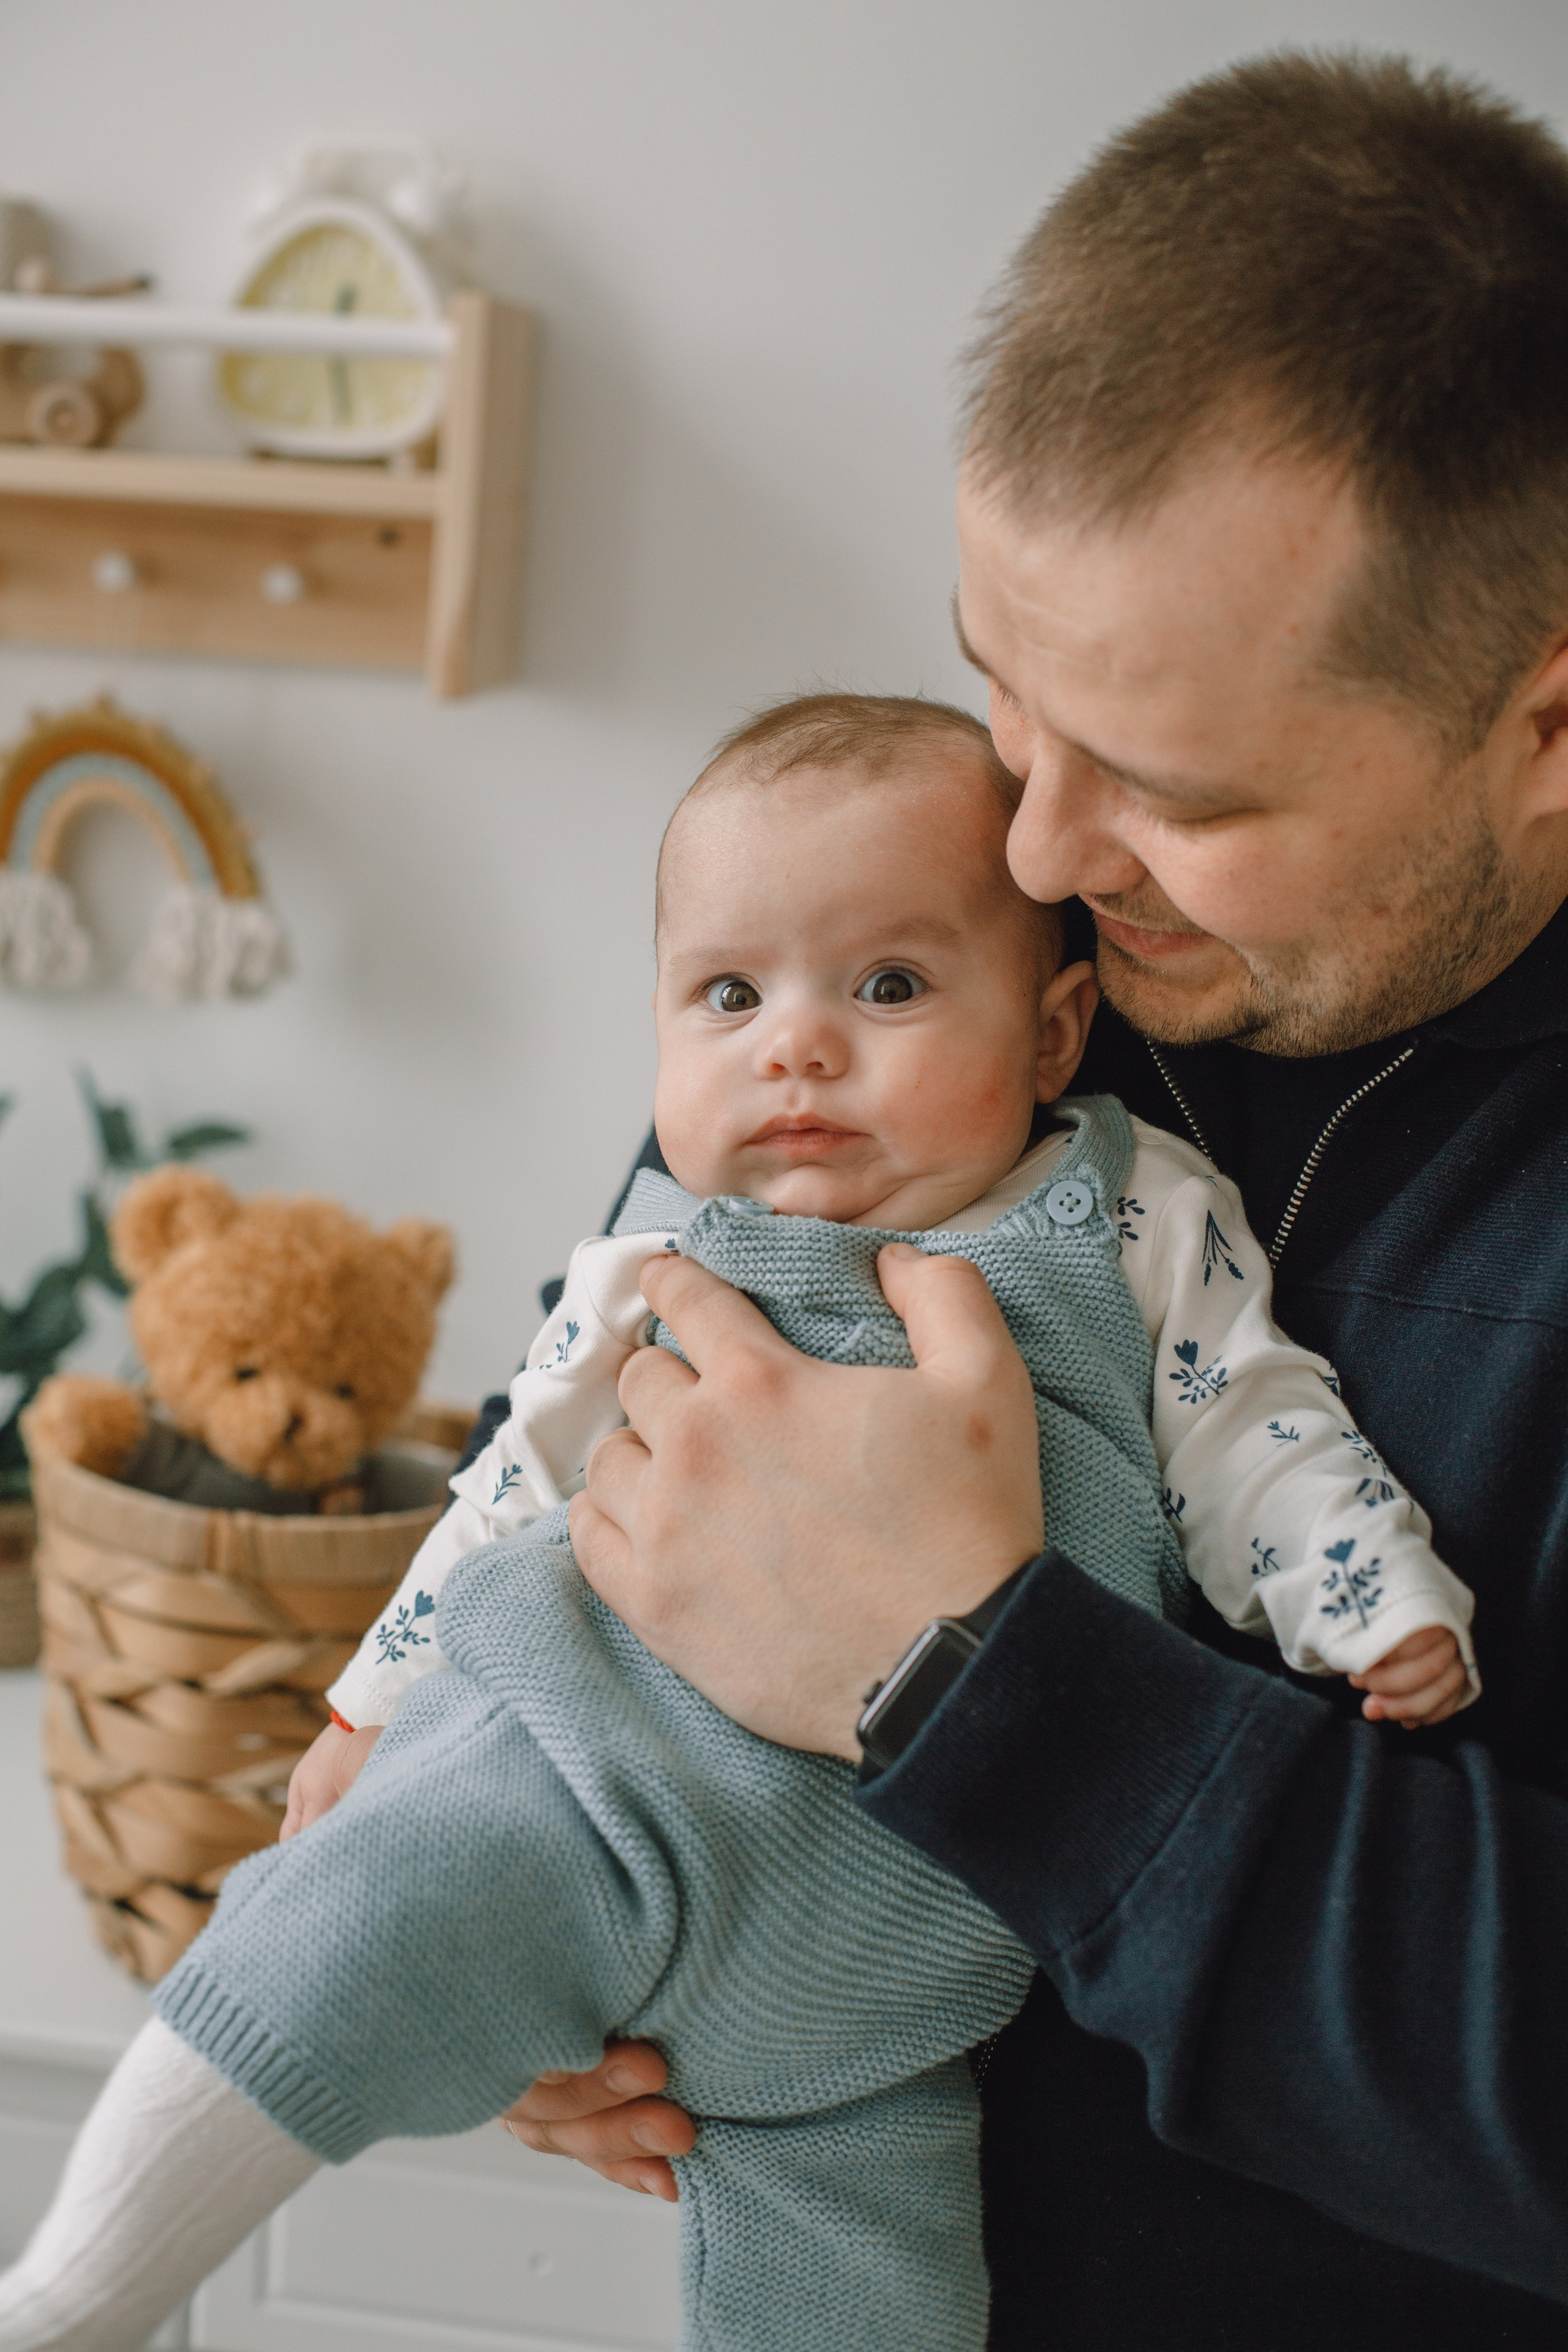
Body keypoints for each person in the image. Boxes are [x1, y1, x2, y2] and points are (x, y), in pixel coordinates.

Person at [0, 697, 1474, 2352]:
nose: (797, 1046)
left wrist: (1369, 1599)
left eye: (891, 988)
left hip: (902, 1990)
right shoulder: (662, 1249)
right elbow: (511, 1488)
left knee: (877, 2298)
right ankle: (74, 2296)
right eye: (728, 996)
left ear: (1056, 1036)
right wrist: (370, 1707)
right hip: (576, 1801)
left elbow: (1255, 1427)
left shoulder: (1129, 1211)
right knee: (339, 1927)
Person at [514, 51, 1568, 2352]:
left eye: (1173, 791)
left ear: (1547, 724)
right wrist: (538, 1891)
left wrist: (974, 1677)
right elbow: (601, 1439)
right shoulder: (943, 933)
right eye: (1008, 693)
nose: (1032, 859)